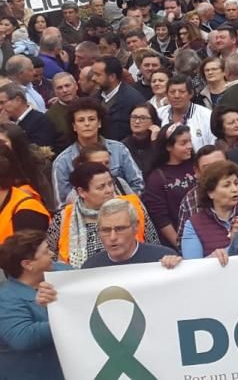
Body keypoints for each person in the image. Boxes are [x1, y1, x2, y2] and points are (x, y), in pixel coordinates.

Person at [47, 161, 157, 267]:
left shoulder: (132, 207)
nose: (109, 190)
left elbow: (154, 246)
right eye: (101, 187)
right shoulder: (63, 218)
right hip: (83, 280)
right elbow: (49, 256)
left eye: (110, 184)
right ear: (81, 192)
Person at [52, 97, 144, 206]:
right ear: (74, 126)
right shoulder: (62, 162)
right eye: (81, 120)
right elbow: (62, 203)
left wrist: (122, 207)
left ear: (99, 123)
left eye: (91, 119)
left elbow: (138, 184)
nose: (87, 124)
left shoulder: (119, 150)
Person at [0, 231, 65, 380]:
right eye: (45, 252)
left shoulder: (62, 272)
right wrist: (67, 320)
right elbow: (23, 337)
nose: (51, 254)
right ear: (28, 264)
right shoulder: (6, 299)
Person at [142, 122, 198, 249]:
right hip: (180, 238)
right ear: (168, 146)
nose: (189, 146)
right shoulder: (157, 177)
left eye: (190, 141)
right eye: (183, 143)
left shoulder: (197, 165)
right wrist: (180, 246)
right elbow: (161, 218)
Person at [180, 159, 238, 258]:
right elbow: (193, 267)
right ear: (211, 193)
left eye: (236, 183)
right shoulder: (193, 225)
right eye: (227, 185)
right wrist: (233, 244)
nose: (235, 189)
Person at [82, 197, 178, 268]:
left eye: (120, 229)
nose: (112, 237)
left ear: (135, 227)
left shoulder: (162, 259)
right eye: (106, 230)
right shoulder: (90, 267)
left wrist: (178, 267)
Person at [93, 56, 143, 141]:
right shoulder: (94, 99)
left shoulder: (133, 100)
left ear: (112, 76)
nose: (93, 78)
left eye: (98, 75)